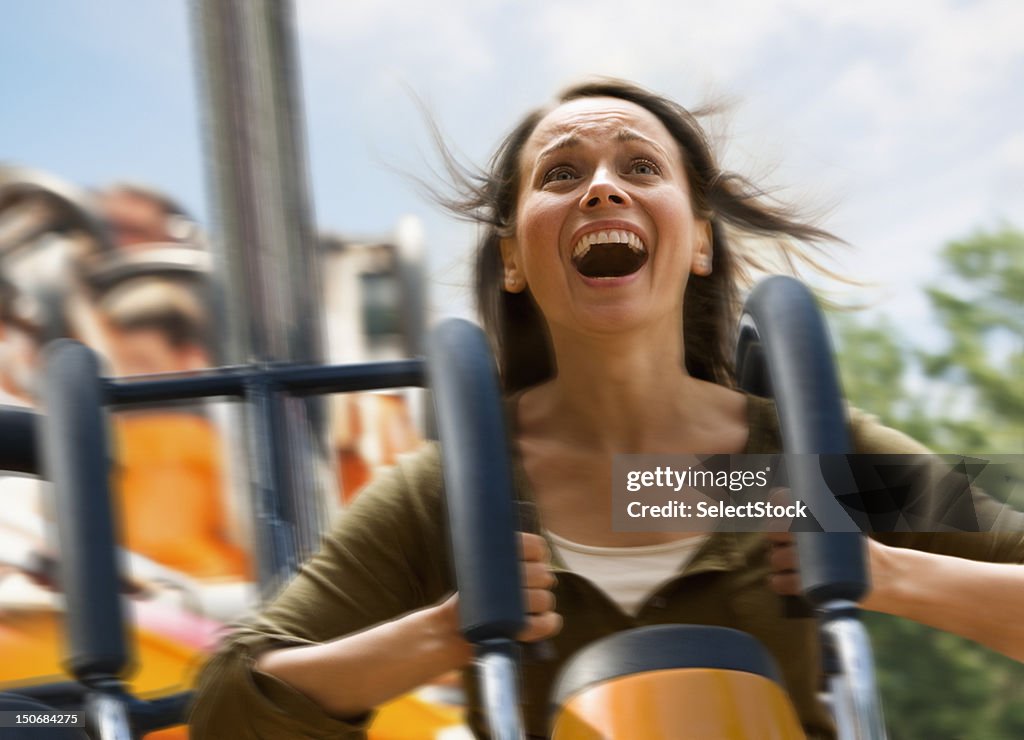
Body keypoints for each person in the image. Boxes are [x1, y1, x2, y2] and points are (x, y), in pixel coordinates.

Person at [189, 79, 1024, 738]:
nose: (600, 190)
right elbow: (229, 704)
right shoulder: (449, 492)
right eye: (561, 173)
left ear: (699, 240)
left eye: (639, 167)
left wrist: (894, 575)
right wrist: (441, 634)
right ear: (513, 257)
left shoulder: (804, 454)